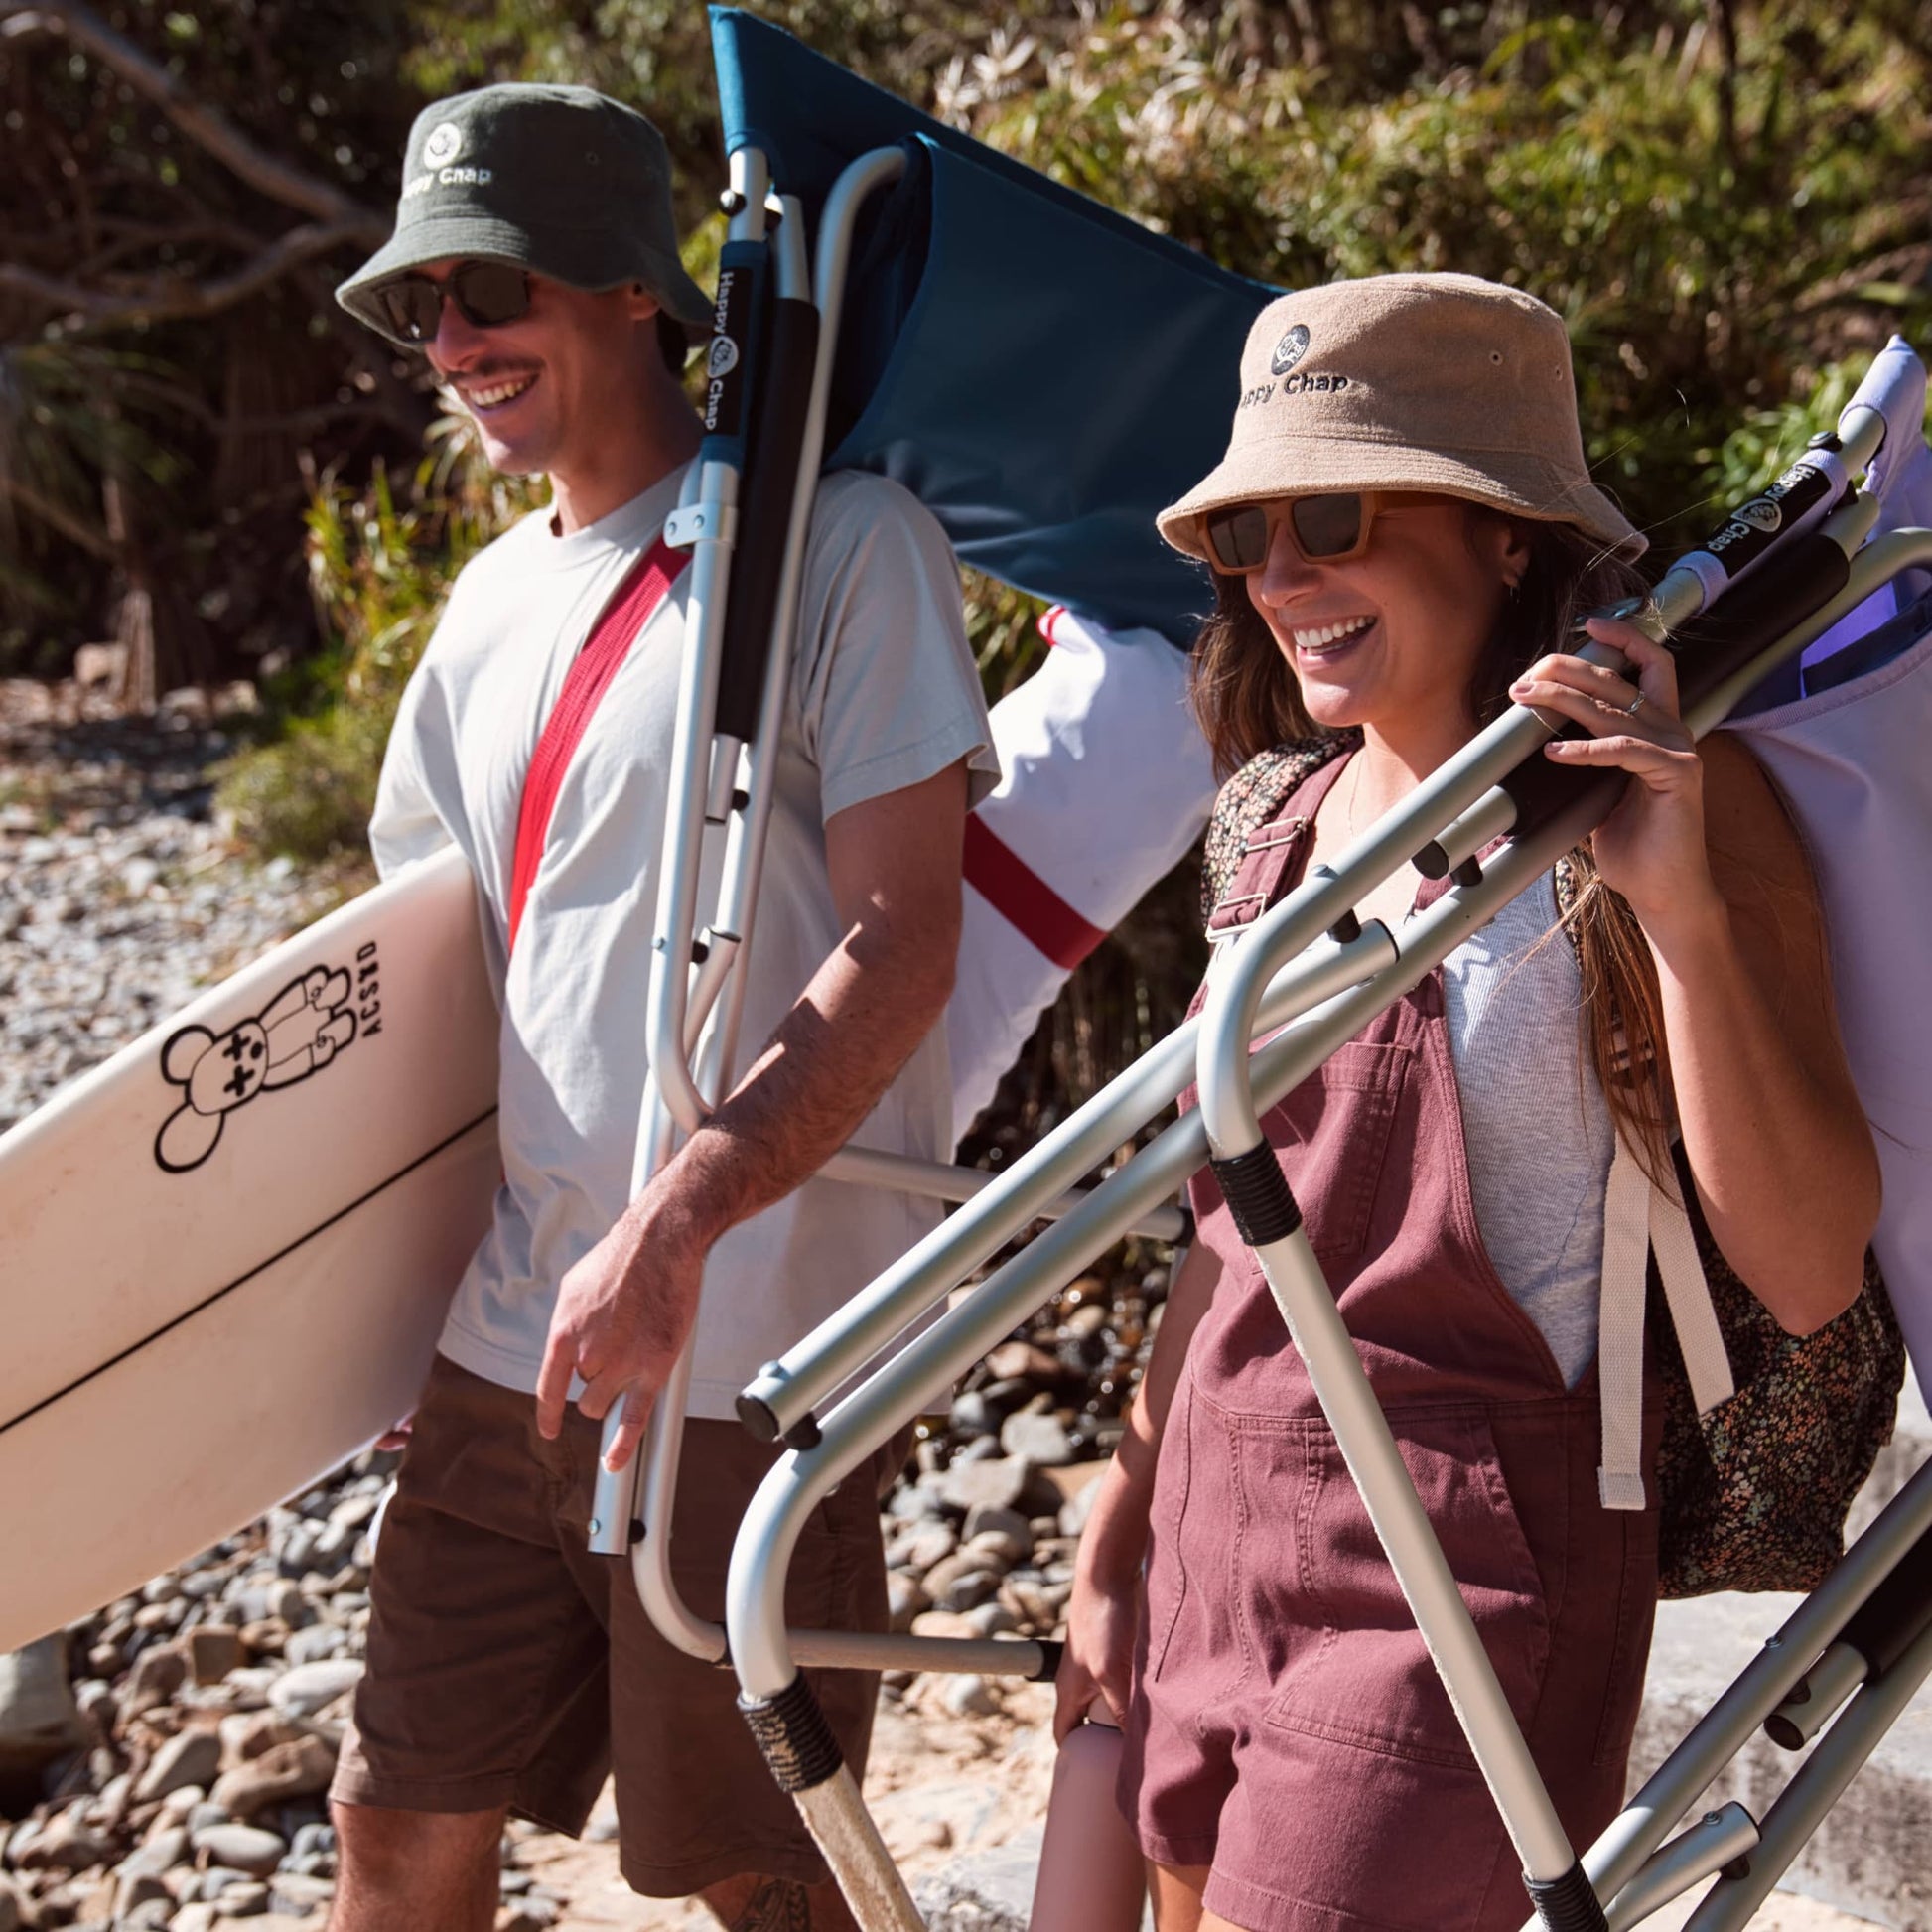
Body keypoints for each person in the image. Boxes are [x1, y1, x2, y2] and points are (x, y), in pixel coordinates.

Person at [1055, 273, 1880, 1932]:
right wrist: (1121, 1514)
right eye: (1248, 536)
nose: (1283, 576)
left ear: (1505, 535)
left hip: (1461, 1569)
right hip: (1218, 1511)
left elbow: (1805, 1264)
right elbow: (1232, 1237)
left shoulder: (1661, 812)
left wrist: (1681, 911)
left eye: (1336, 514)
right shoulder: (1268, 825)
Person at [328, 85, 996, 1932]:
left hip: (742, 1339)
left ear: (630, 285)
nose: (455, 342)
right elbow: (433, 1002)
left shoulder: (838, 547)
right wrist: (376, 1303)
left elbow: (905, 936)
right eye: (421, 310)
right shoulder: (479, 610)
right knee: (394, 1812)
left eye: (488, 287)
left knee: (756, 1871)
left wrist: (681, 1220)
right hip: (503, 1342)